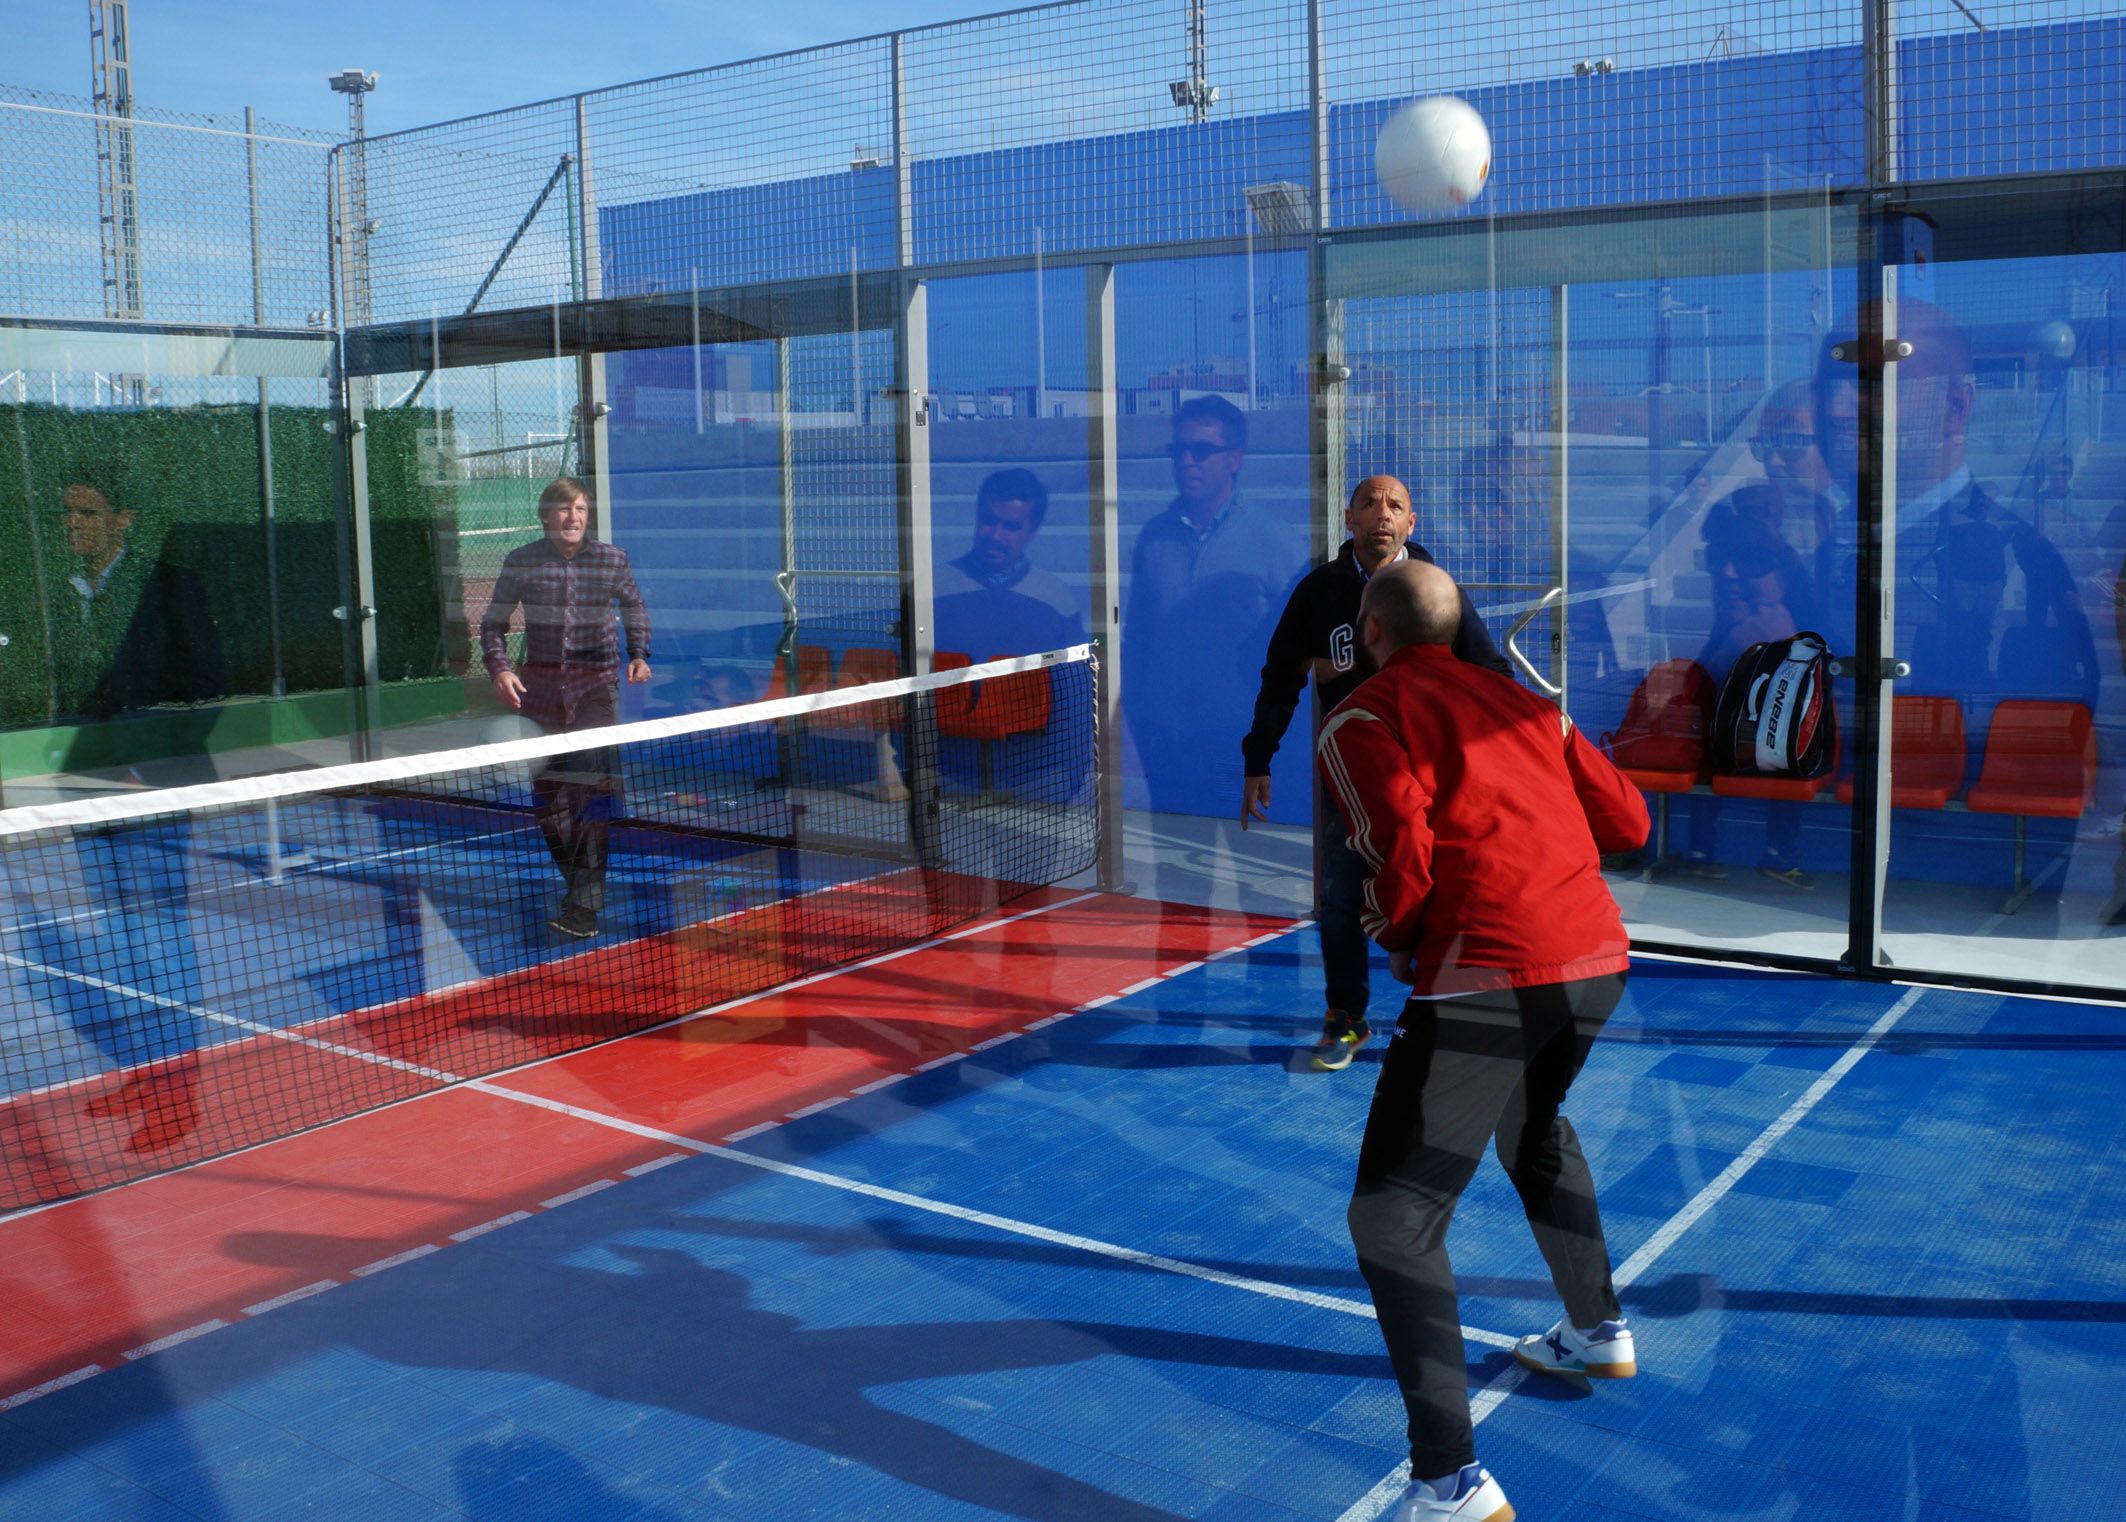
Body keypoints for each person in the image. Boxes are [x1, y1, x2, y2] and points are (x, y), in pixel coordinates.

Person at [1316, 560, 1649, 1522]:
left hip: (1489, 973)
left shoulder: (1363, 717)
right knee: (1531, 1127)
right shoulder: (1527, 706)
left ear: (1370, 632)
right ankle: (1598, 1328)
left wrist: (1396, 926)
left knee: (1393, 1220)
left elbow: (1399, 849)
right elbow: (1627, 819)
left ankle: (1450, 1481)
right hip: (1596, 959)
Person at [1240, 474, 1508, 1072]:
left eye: (1394, 506)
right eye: (1368, 503)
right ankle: (1346, 1017)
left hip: (1435, 779)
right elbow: (1280, 675)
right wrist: (1259, 757)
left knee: (1450, 891)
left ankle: (1446, 1012)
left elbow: (1492, 674)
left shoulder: (1437, 590)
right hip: (1355, 781)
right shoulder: (1319, 594)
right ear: (1349, 519)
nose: (1380, 514)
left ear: (1412, 523)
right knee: (1339, 898)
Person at [46, 482, 225, 1154]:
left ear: (124, 518)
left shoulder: (172, 586)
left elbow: (207, 683)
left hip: (151, 788)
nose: (73, 523)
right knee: (119, 938)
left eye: (86, 512)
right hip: (84, 789)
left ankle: (178, 1097)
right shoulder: (57, 591)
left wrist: (137, 758)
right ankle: (144, 1072)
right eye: (66, 512)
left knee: (159, 937)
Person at [479, 477, 652, 939]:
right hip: (539, 698)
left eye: (579, 508)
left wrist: (638, 654)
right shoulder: (521, 561)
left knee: (589, 799)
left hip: (596, 695)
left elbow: (634, 607)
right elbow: (493, 623)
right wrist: (499, 669)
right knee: (550, 805)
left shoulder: (613, 560)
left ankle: (582, 906)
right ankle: (579, 889)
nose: (572, 517)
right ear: (545, 516)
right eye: (562, 510)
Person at [1126, 395, 1306, 815]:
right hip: (1168, 740)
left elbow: (1295, 644)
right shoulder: (1155, 536)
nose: (1187, 461)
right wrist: (1142, 715)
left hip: (1239, 736)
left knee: (1249, 862)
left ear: (1234, 458)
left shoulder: (1274, 541)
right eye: (1179, 450)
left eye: (1201, 450)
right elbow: (1138, 637)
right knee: (1173, 865)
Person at [1685, 389, 1835, 888]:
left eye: (1789, 443)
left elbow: (1805, 610)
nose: (1727, 572)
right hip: (1736, 655)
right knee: (1717, 752)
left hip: (1784, 656)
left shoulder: (1813, 531)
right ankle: (1701, 849)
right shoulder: (1738, 530)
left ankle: (1777, 850)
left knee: (1788, 752)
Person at [933, 468, 1083, 661]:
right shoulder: (931, 590)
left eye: (1011, 527)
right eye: (989, 521)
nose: (996, 535)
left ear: (1033, 531)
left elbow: (1075, 683)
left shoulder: (1058, 601)